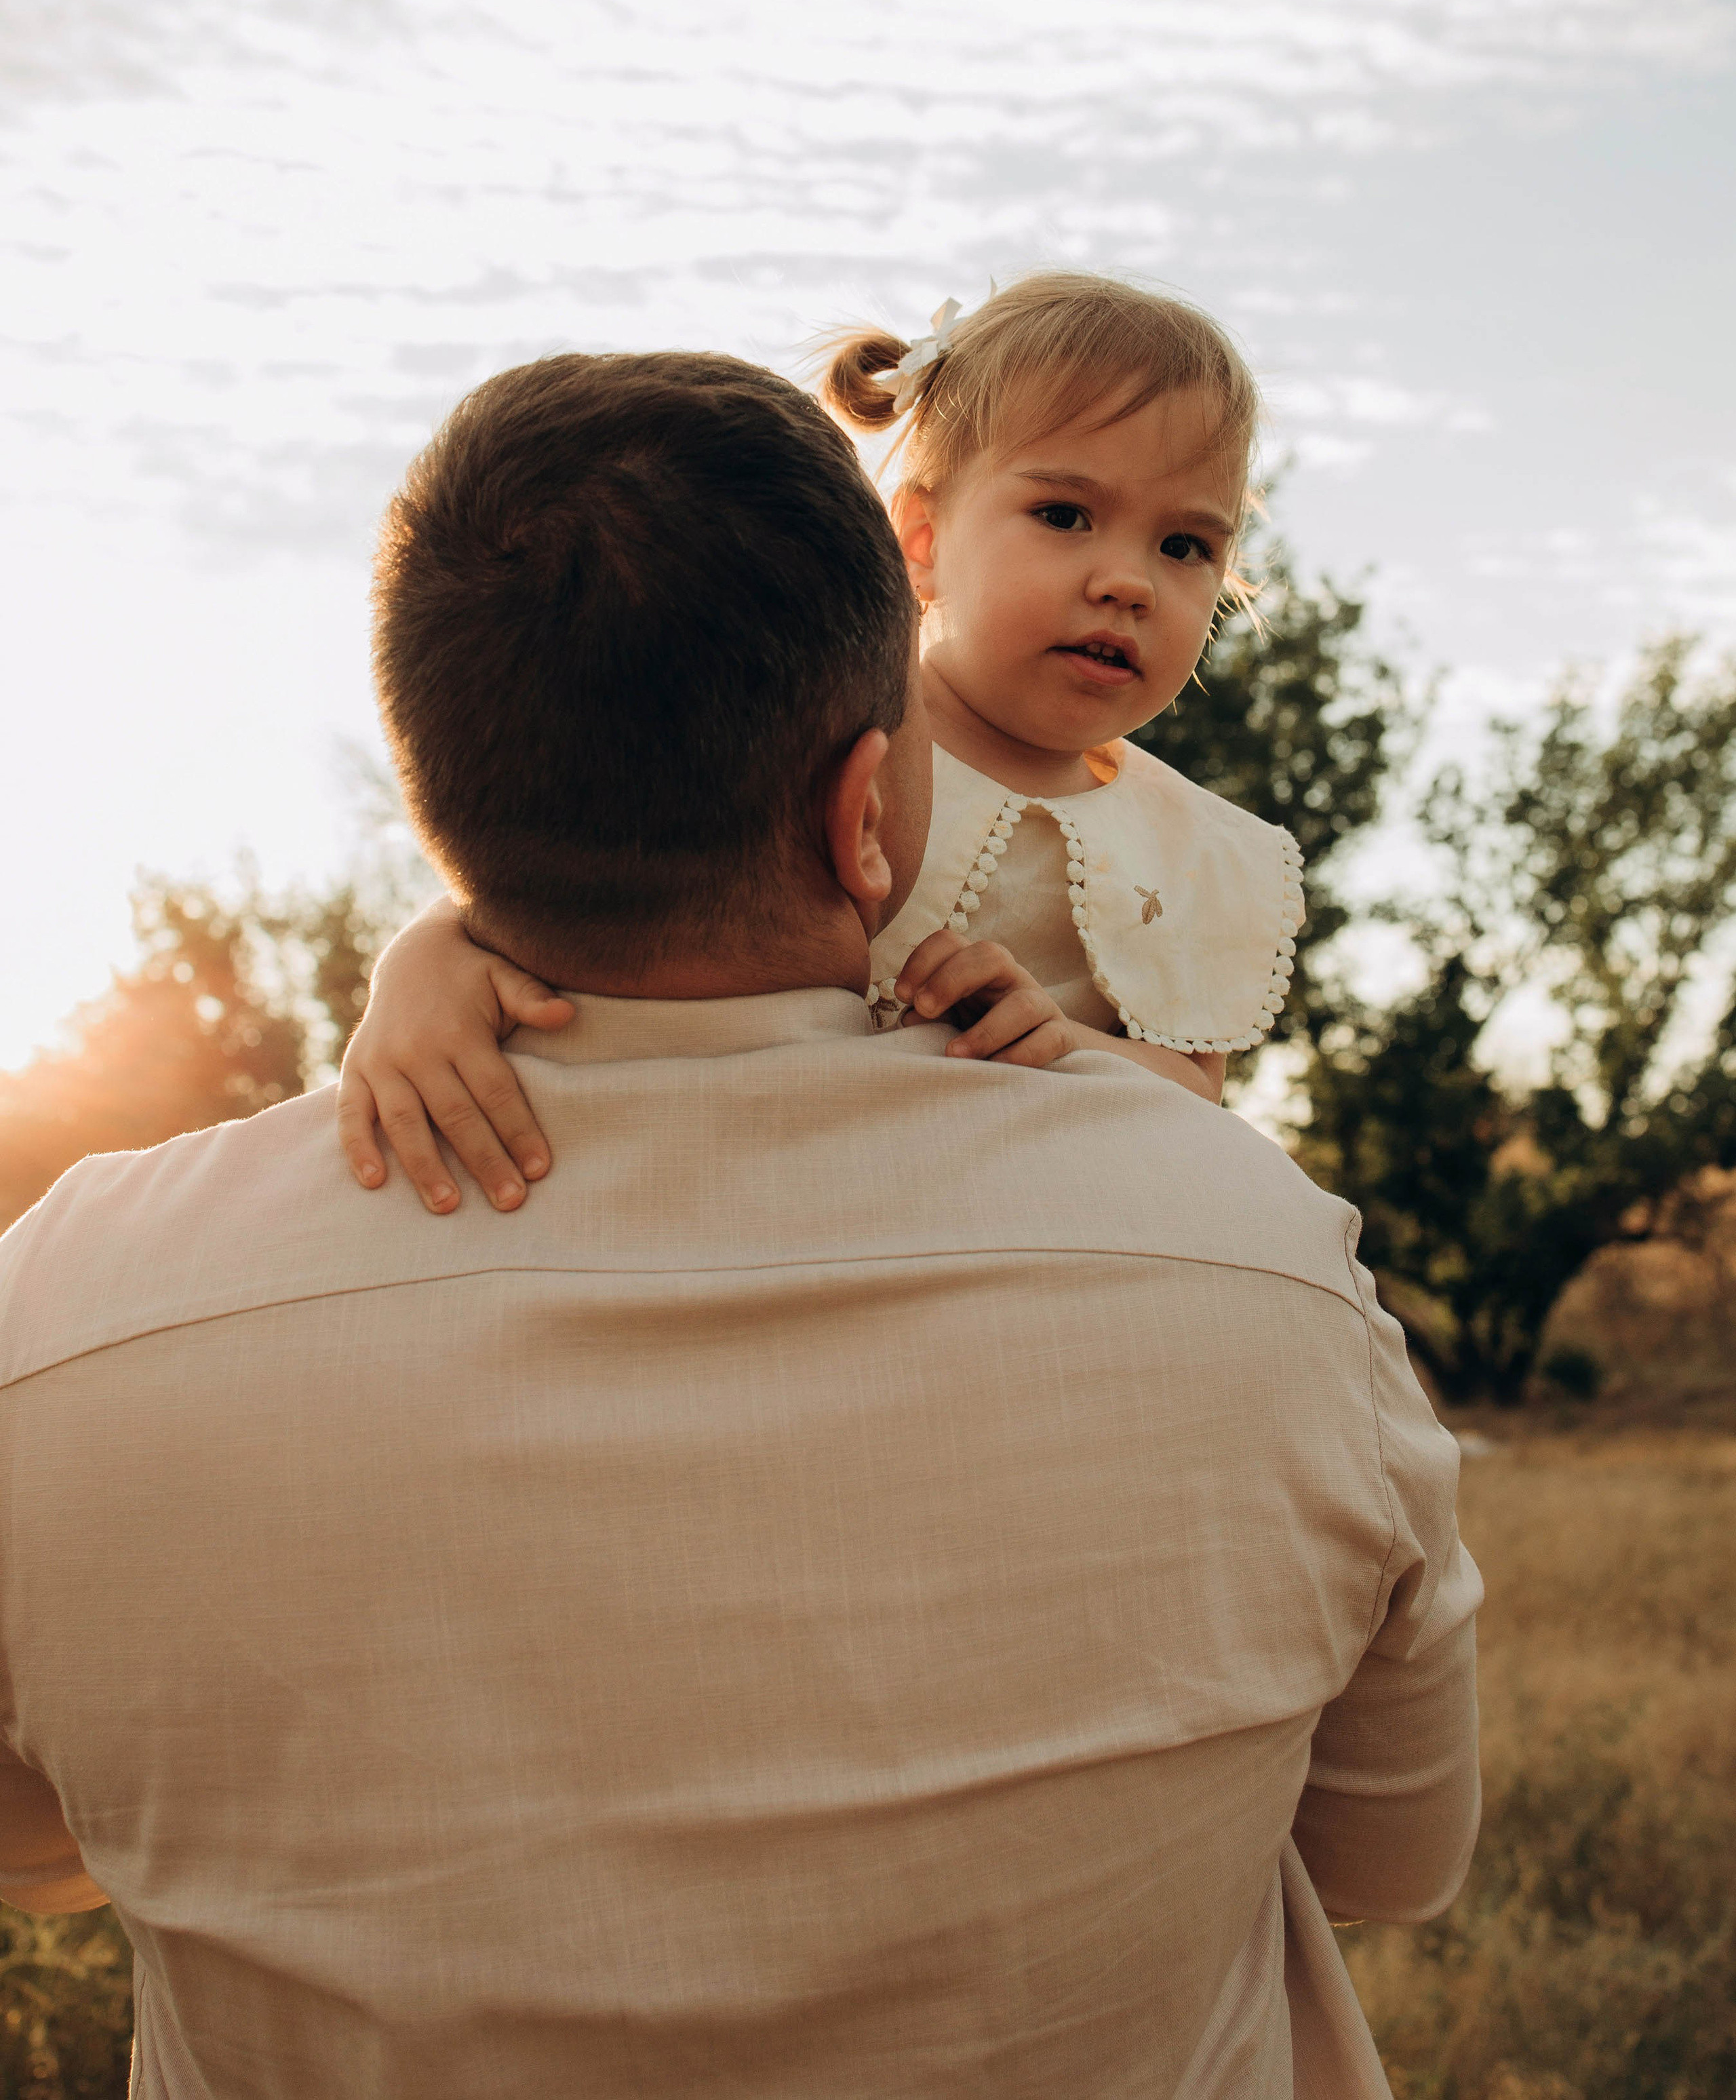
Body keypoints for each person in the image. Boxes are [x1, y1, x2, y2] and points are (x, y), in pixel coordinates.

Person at [0, 351, 1480, 2098]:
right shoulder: (1270, 1278)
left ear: (449, 804)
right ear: (868, 812)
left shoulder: (62, 1323)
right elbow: (1389, 1863)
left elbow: (37, 1852)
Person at [338, 274, 1302, 1220]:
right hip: (727, 1180)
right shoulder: (808, 711)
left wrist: (1064, 1046)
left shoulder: (1190, 845)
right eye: (1064, 515)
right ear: (921, 538)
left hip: (988, 1233)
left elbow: (1193, 1090)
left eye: (1186, 547)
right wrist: (419, 970)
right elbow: (583, 863)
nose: (1128, 581)